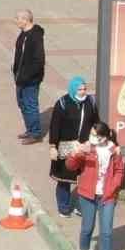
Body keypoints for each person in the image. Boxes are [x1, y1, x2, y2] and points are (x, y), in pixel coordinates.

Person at [66, 122, 125, 250]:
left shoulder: (114, 150)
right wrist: (76, 153)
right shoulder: (87, 148)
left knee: (106, 231)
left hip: (107, 196)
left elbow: (119, 171)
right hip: (87, 195)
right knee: (87, 227)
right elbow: (71, 166)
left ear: (104, 137)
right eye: (91, 133)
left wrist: (113, 187)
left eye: (95, 135)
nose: (92, 137)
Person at [49, 75, 101, 217]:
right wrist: (53, 146)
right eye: (79, 89)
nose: (83, 92)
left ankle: (80, 206)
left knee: (83, 178)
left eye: (84, 89)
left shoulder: (90, 102)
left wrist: (96, 133)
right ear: (73, 89)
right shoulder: (62, 104)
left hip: (84, 147)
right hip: (66, 147)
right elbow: (55, 126)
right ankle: (63, 207)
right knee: (64, 179)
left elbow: (95, 120)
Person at [12, 10, 46, 144]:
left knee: (30, 105)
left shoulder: (35, 37)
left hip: (29, 80)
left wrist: (26, 76)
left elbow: (39, 61)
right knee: (22, 104)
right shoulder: (23, 33)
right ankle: (30, 129)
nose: (15, 20)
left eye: (17, 18)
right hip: (20, 78)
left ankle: (36, 133)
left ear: (25, 20)